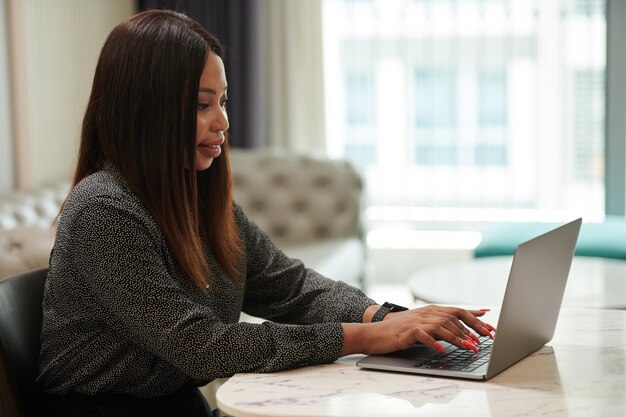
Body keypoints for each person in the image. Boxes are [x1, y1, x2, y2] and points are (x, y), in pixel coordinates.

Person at [36, 9, 495, 417]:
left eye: (223, 101)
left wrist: (385, 317)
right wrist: (363, 338)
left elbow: (289, 285)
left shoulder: (193, 197)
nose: (223, 122)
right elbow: (202, 347)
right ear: (145, 110)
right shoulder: (104, 211)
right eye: (201, 105)